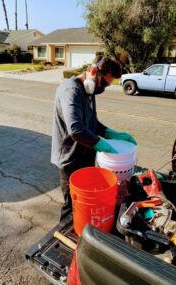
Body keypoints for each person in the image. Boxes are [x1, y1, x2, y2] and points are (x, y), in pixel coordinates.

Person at [51, 56, 137, 221]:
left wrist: (112, 134)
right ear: (94, 72)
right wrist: (102, 145)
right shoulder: (71, 90)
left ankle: (85, 230)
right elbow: (76, 129)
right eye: (104, 83)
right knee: (72, 206)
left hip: (86, 155)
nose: (104, 88)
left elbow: (92, 123)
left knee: (86, 202)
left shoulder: (89, 90)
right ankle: (65, 238)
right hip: (70, 159)